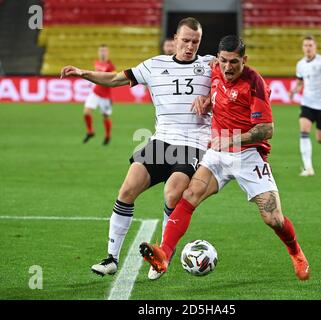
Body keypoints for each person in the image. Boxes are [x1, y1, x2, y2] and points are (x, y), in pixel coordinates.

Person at [140, 35, 310, 281]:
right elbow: (214, 93)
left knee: (273, 217)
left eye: (234, 62)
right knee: (189, 195)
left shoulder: (254, 83)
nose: (228, 67)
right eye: (223, 61)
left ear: (244, 60)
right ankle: (163, 255)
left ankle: (296, 252)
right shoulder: (215, 71)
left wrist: (231, 140)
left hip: (248, 155)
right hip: (217, 155)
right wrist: (206, 100)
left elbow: (267, 130)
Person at [60, 17, 214, 280]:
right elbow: (114, 79)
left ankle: (163, 255)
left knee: (172, 192)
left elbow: (236, 79)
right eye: (186, 40)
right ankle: (111, 258)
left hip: (194, 142)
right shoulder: (154, 66)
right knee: (127, 188)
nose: (190, 46)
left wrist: (210, 97)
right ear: (175, 39)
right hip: (161, 140)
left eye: (195, 42)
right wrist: (85, 73)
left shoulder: (211, 65)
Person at [289, 35, 321, 176]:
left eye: (310, 45)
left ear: (315, 47)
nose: (308, 48)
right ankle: (308, 168)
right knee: (304, 131)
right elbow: (300, 83)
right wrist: (293, 91)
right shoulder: (300, 64)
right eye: (305, 45)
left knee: (320, 139)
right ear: (302, 48)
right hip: (307, 103)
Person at [83, 45, 116, 145]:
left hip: (105, 95)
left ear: (108, 52)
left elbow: (114, 77)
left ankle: (108, 135)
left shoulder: (110, 66)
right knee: (86, 112)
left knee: (105, 116)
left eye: (104, 51)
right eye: (101, 51)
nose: (102, 52)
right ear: (98, 52)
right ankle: (90, 131)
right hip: (95, 92)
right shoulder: (96, 63)